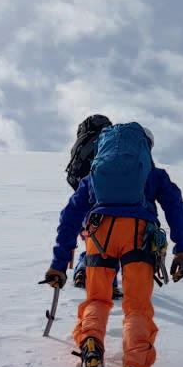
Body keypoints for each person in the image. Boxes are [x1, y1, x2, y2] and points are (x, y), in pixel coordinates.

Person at [43, 125, 183, 367]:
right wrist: (182, 247)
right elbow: (174, 205)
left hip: (99, 233)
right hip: (138, 234)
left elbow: (70, 215)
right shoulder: (152, 173)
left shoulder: (95, 175)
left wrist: (59, 262)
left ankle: (90, 344)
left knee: (97, 298)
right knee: (137, 306)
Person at [64, 114, 121, 298]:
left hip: (84, 201)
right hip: (105, 201)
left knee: (94, 241)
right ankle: (108, 283)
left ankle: (83, 269)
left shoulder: (82, 145)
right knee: (111, 241)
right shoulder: (110, 144)